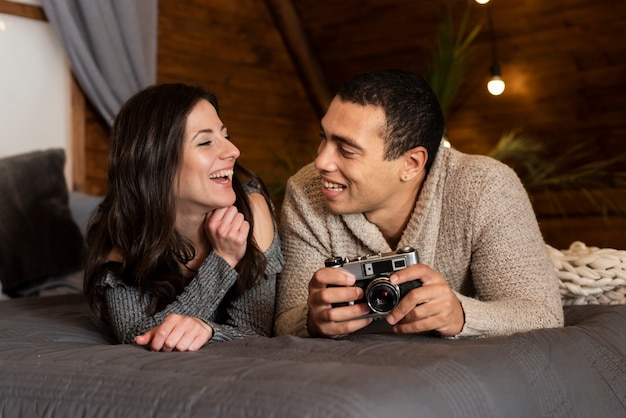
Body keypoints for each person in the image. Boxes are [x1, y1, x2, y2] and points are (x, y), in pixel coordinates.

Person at [275, 69, 564, 339]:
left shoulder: (485, 187)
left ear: (411, 164)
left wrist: (461, 315)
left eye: (346, 150)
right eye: (323, 138)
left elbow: (541, 313)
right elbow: (285, 320)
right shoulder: (306, 191)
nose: (321, 162)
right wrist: (313, 321)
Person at [84, 83, 283, 351]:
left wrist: (209, 331)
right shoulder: (121, 230)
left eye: (226, 136)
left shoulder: (252, 212)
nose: (233, 151)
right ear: (156, 163)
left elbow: (254, 331)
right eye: (205, 142)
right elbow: (138, 336)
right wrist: (223, 260)